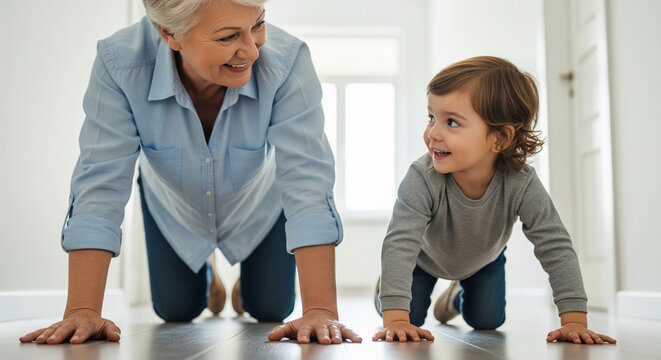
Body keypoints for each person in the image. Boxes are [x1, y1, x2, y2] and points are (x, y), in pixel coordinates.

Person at [19, 0, 361, 345]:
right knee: (176, 309)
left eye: (258, 24)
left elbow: (307, 181)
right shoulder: (119, 64)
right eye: (228, 37)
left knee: (270, 307)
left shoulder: (287, 61)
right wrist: (82, 309)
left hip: (260, 203)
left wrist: (321, 311)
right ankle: (209, 271)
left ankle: (246, 279)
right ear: (170, 33)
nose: (252, 51)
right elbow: (99, 185)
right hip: (173, 204)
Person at [372, 56, 616, 345]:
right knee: (407, 317)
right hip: (422, 260)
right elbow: (399, 243)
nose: (432, 133)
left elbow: (555, 245)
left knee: (487, 321)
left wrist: (574, 319)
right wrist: (396, 319)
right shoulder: (422, 177)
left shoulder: (521, 183)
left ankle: (453, 298)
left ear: (499, 139)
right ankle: (384, 291)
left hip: (483, 260)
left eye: (451, 122)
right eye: (431, 118)